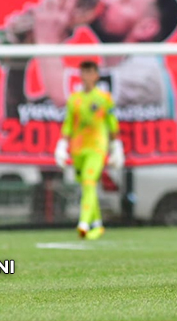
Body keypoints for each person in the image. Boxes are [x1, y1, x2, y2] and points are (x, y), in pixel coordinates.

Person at [0, 0, 177, 118]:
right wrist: (20, 57)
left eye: (124, 1)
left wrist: (46, 40)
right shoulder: (112, 72)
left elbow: (64, 99)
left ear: (146, 28)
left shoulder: (145, 75)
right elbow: (24, 118)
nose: (108, 2)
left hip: (140, 175)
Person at [54, 60, 125, 240]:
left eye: (90, 72)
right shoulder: (74, 99)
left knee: (88, 181)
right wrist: (62, 146)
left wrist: (117, 147)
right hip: (78, 149)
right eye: (83, 72)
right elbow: (68, 125)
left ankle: (83, 223)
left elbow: (112, 123)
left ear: (96, 75)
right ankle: (98, 224)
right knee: (87, 185)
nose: (86, 76)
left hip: (97, 147)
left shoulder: (104, 98)